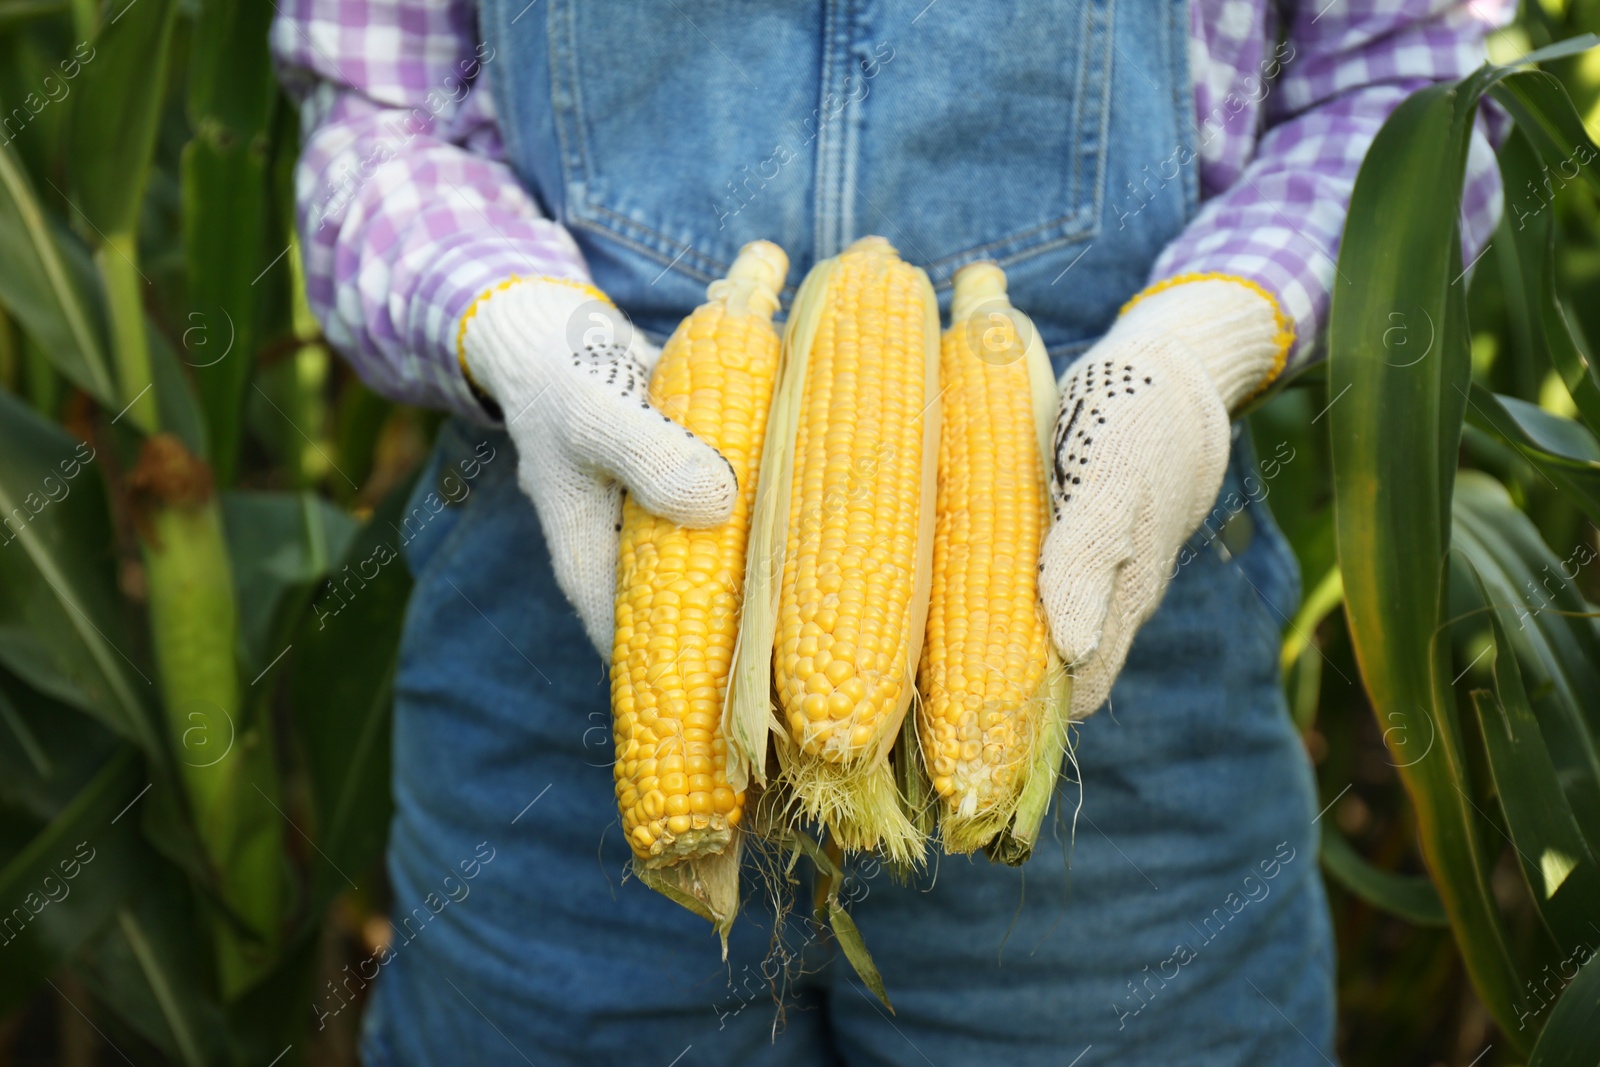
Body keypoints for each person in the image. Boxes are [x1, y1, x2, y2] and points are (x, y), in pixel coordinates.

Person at [272, 1, 1507, 1062]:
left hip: (1111, 675)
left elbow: (1414, 100)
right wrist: (510, 323)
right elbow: (379, 118)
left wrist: (1204, 343)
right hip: (557, 662)